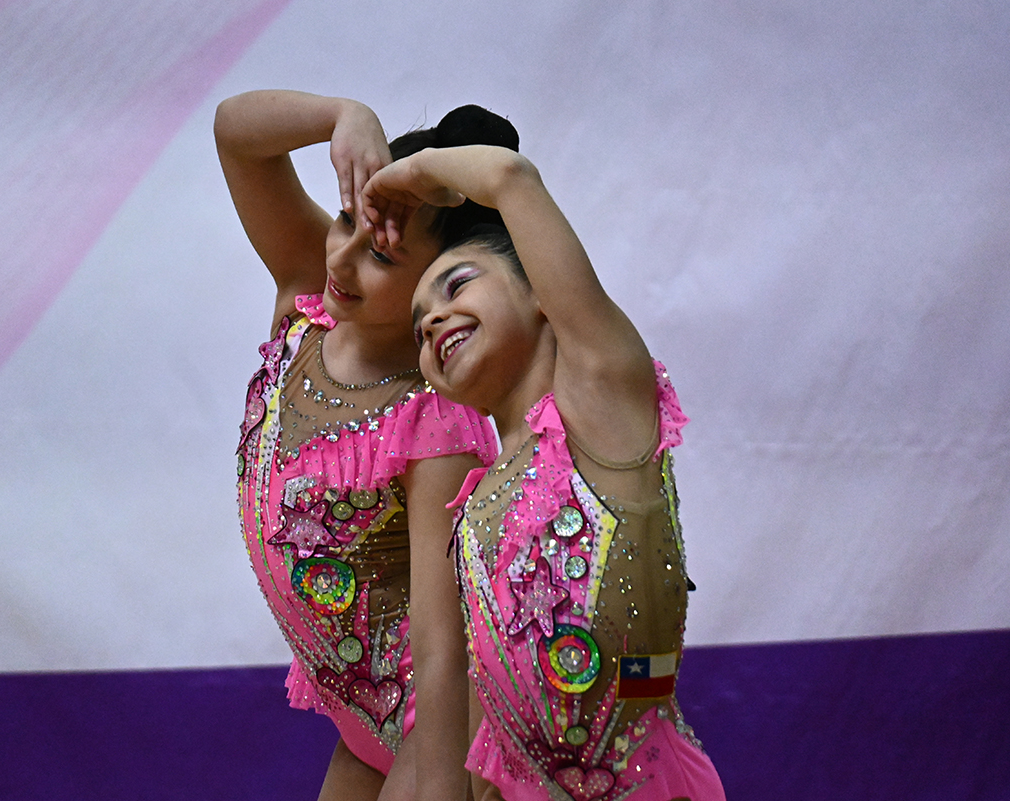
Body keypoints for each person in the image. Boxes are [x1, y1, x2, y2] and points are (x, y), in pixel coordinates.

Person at [361, 145, 726, 800]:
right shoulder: (473, 505)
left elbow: (510, 177)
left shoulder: (601, 409)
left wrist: (413, 173)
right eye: (419, 329)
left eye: (456, 285)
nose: (433, 319)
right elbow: (490, 708)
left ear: (538, 292)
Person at [215, 91, 515, 801]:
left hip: (439, 724)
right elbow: (236, 136)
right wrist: (340, 115)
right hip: (364, 717)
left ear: (437, 285)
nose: (343, 259)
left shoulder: (434, 422)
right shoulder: (309, 302)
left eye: (381, 254)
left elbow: (445, 652)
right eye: (347, 219)